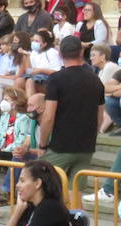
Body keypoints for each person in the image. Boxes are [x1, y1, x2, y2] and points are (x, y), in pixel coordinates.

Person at [40, 37, 106, 185]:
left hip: (61, 146)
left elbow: (48, 116)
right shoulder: (95, 80)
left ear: (60, 54)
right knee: (75, 193)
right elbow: (100, 116)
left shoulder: (56, 79)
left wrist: (42, 145)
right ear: (81, 52)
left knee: (42, 187)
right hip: (86, 147)